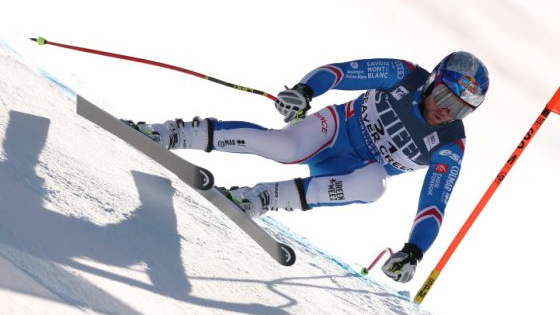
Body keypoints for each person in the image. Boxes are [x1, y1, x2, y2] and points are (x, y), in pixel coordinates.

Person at [128, 51, 489, 283]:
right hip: (332, 131)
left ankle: (259, 198)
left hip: (349, 172)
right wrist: (305, 92)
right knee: (282, 147)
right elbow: (341, 72)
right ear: (432, 83)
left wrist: (414, 251)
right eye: (444, 97)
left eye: (459, 109)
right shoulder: (404, 74)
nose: (446, 111)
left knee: (376, 185)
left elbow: (434, 201)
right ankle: (170, 134)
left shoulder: (450, 143)